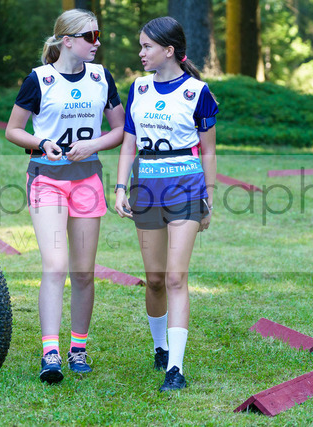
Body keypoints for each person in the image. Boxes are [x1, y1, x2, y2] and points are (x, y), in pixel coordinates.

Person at [5, 9, 125, 384]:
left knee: (83, 272)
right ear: (68, 41)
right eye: (91, 36)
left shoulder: (101, 77)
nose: (97, 42)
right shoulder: (39, 79)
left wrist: (92, 145)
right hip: (47, 180)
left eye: (98, 35)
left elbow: (120, 130)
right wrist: (41, 142)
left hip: (87, 180)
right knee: (55, 266)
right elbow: (13, 130)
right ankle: (50, 352)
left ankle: (78, 348)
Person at [114, 16, 218, 392]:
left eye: (147, 46)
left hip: (186, 190)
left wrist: (208, 196)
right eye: (141, 46)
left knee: (176, 277)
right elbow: (129, 141)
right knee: (155, 279)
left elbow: (209, 151)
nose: (141, 53)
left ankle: (176, 367)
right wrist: (120, 187)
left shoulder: (198, 91)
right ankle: (160, 348)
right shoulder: (139, 88)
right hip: (146, 190)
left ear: (169, 50)